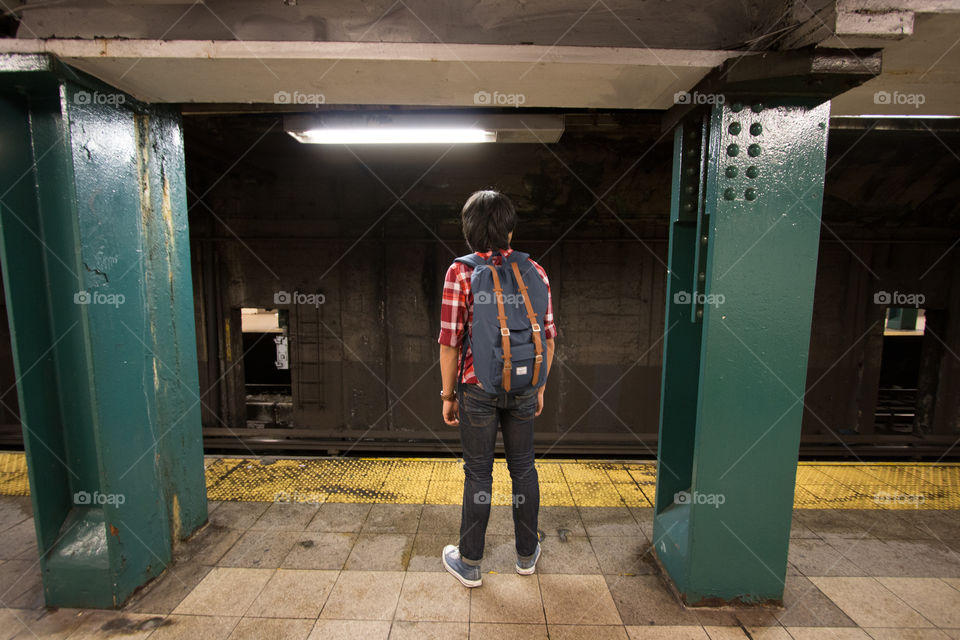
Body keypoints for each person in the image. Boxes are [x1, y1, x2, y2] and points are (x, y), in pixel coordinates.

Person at [437, 189, 557, 587]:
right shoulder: (535, 271)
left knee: (479, 474)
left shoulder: (460, 273)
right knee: (523, 468)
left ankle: (469, 562)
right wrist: (538, 387)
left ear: (469, 230)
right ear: (510, 229)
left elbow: (450, 341)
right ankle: (526, 555)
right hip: (524, 386)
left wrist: (448, 395)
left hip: (478, 389)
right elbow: (550, 337)